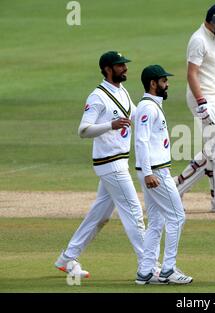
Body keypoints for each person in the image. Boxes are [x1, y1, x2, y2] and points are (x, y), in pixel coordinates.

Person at [54, 51, 146, 278]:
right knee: (134, 211)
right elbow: (83, 130)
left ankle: (67, 258)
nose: (124, 68)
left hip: (119, 162)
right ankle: (150, 266)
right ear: (107, 69)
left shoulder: (121, 91)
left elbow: (135, 115)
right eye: (119, 65)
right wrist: (110, 125)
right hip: (110, 163)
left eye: (124, 65)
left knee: (100, 215)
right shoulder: (97, 97)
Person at [172, 3, 215, 213]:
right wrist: (201, 102)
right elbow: (192, 73)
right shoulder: (198, 40)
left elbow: (214, 71)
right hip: (203, 98)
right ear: (214, 20)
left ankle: (174, 189)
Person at [134, 65, 192, 285]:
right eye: (164, 81)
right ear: (153, 83)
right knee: (177, 217)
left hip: (155, 171)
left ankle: (145, 272)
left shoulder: (151, 106)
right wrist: (149, 173)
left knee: (156, 221)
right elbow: (141, 140)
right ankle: (168, 269)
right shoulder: (148, 108)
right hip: (155, 173)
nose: (167, 84)